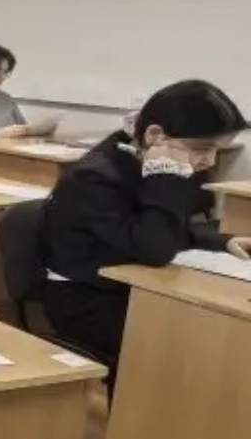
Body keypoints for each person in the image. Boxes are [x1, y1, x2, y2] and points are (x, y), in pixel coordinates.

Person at [41, 79, 249, 382]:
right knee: (195, 349)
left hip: (130, 285)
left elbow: (163, 228)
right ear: (154, 135)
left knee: (218, 335)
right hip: (87, 299)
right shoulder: (95, 178)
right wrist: (166, 178)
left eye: (218, 150)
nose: (209, 161)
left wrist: (221, 242)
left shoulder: (149, 163)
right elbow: (154, 248)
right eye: (202, 149)